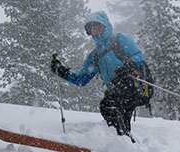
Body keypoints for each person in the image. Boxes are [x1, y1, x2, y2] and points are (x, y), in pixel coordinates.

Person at [50, 11, 146, 139]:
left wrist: (128, 65)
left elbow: (139, 57)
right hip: (115, 91)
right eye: (92, 28)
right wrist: (63, 72)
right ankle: (123, 143)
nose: (96, 30)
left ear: (106, 26)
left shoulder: (119, 40)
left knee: (109, 106)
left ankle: (122, 142)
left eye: (98, 26)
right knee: (115, 113)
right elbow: (82, 79)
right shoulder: (95, 55)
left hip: (132, 86)